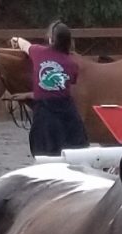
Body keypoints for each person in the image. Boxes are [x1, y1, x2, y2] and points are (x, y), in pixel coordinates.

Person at [10, 21, 88, 156]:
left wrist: (16, 40)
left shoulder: (38, 52)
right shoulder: (72, 63)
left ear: (51, 39)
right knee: (75, 146)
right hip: (66, 110)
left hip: (45, 110)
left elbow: (24, 45)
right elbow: (59, 89)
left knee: (43, 146)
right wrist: (31, 94)